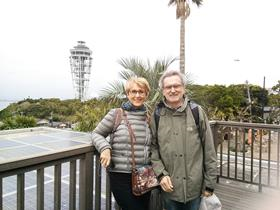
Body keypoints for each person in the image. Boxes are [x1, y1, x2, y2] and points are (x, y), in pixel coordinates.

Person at [150, 70, 217, 210]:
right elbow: (153, 148)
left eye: (177, 86)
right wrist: (161, 174)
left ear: (183, 88)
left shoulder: (197, 112)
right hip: (170, 189)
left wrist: (210, 184)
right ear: (163, 91)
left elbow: (209, 150)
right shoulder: (156, 115)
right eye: (168, 87)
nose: (173, 90)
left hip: (195, 189)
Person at [91, 77, 152, 210]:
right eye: (133, 91)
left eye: (141, 92)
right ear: (128, 93)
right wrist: (105, 148)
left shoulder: (149, 117)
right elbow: (96, 133)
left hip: (144, 175)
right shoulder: (116, 114)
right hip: (120, 175)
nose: (137, 95)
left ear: (146, 94)